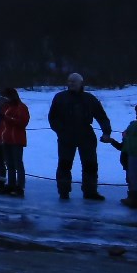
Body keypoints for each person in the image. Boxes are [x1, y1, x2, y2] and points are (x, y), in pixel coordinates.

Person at [48, 72, 112, 200]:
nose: (71, 83)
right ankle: (64, 191)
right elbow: (52, 117)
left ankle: (90, 191)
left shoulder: (89, 98)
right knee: (64, 165)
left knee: (90, 165)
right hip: (66, 136)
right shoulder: (60, 97)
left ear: (80, 83)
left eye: (74, 81)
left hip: (86, 134)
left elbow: (101, 116)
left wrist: (106, 132)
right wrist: (60, 130)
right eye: (69, 81)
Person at [0, 87, 30, 197]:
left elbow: (23, 122)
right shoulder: (6, 107)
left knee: (18, 163)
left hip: (17, 139)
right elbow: (2, 123)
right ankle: (11, 184)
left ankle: (20, 186)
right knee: (9, 164)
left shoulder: (22, 107)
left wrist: (7, 118)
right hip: (6, 138)